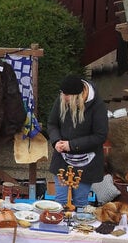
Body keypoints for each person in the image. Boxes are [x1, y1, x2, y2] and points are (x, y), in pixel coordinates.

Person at [46, 75, 108, 210]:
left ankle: (79, 229)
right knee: (60, 202)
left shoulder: (97, 105)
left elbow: (100, 135)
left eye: (66, 95)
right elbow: (52, 124)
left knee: (80, 203)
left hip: (86, 162)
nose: (62, 97)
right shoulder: (62, 99)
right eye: (61, 93)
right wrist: (56, 141)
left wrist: (72, 145)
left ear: (76, 96)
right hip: (62, 159)